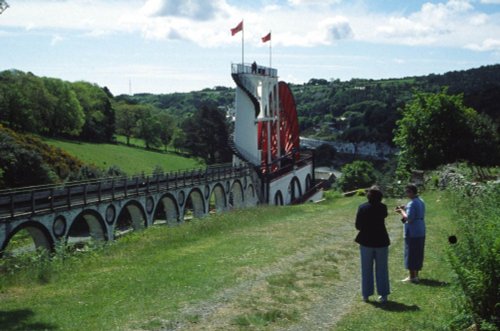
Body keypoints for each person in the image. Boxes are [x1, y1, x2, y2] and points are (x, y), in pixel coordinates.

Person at [355, 186, 390, 303]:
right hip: (381, 240)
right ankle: (383, 295)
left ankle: (366, 294)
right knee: (382, 269)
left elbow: (358, 226)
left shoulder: (362, 208)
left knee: (366, 268)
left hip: (366, 241)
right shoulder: (383, 207)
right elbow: (385, 215)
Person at [395, 184, 426, 283]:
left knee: (411, 253)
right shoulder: (420, 201)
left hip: (412, 231)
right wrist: (405, 208)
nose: (406, 193)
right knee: (418, 252)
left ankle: (412, 276)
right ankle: (416, 275)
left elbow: (409, 218)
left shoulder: (412, 203)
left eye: (407, 192)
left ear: (411, 192)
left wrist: (401, 211)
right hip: (420, 229)